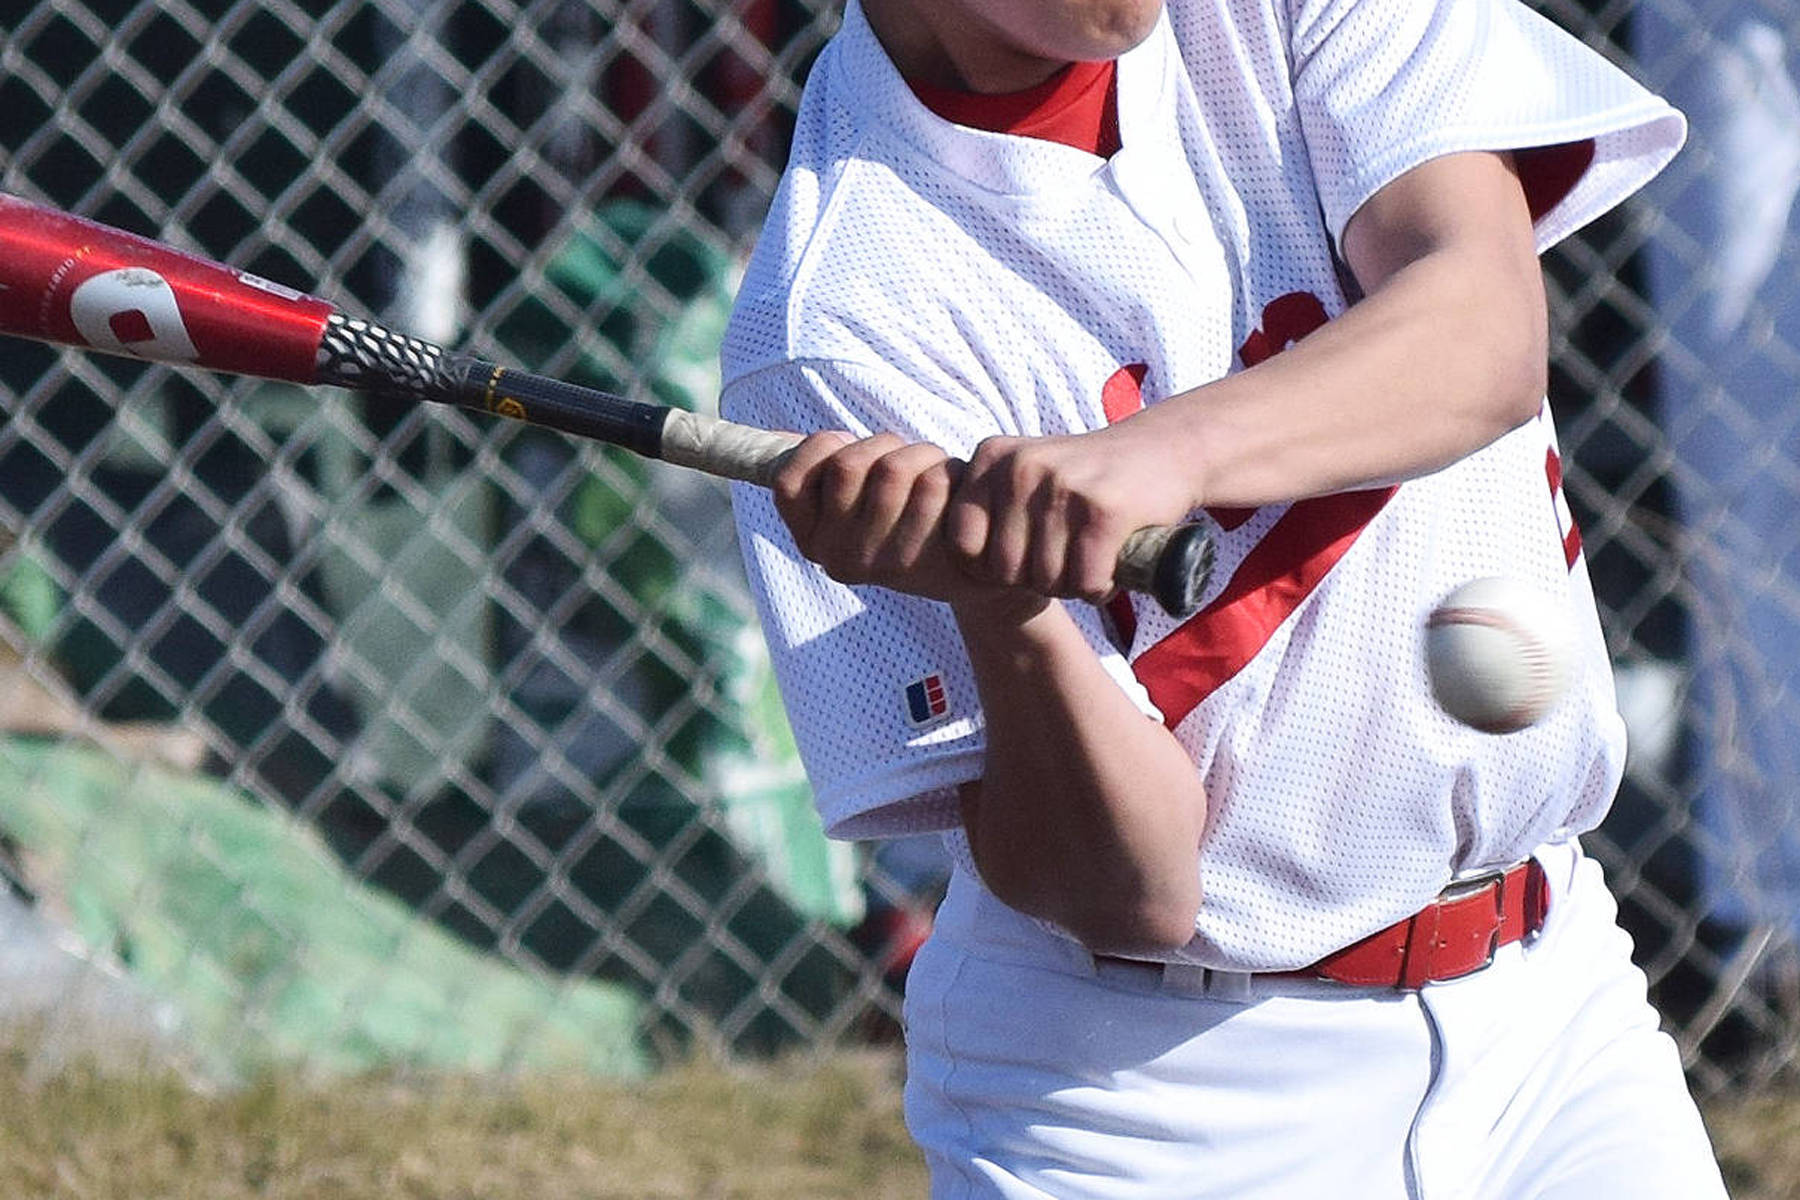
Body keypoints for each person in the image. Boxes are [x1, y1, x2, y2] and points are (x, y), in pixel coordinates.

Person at [719, 0, 1730, 1194]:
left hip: (1555, 1007)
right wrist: (1003, 607)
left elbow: (1483, 332)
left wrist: (1166, 455)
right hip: (1155, 1095)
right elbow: (1129, 892)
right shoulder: (839, 315)